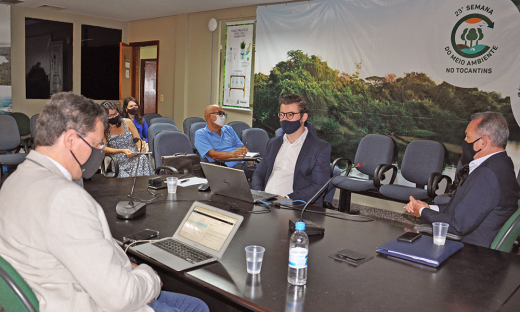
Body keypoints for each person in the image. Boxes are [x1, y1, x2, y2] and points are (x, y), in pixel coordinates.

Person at [0, 92, 209, 312]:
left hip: (62, 286)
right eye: (97, 144)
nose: (99, 151)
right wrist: (150, 277)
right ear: (71, 139)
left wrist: (126, 265)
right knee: (196, 308)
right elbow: (120, 297)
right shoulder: (64, 199)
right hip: (86, 302)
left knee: (195, 304)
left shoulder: (12, 182)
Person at [404, 111, 520, 248]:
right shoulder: (503, 164)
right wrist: (429, 207)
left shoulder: (487, 174)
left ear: (482, 142)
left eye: (467, 137)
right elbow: (465, 210)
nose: (464, 142)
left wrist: (422, 212)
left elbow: (457, 226)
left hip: (468, 253)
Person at [252, 94, 331, 204]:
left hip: (293, 207)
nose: (284, 119)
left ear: (303, 117)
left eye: (290, 115)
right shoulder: (273, 143)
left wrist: (287, 199)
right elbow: (259, 174)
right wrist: (259, 193)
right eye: (282, 114)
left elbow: (319, 186)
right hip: (263, 203)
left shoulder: (320, 147)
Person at [194, 104, 255, 179]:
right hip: (224, 166)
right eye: (220, 113)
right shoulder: (200, 134)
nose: (223, 116)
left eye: (223, 114)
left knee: (264, 169)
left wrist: (251, 163)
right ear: (209, 116)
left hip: (242, 163)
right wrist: (233, 155)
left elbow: (242, 148)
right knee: (257, 175)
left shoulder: (228, 129)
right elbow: (213, 155)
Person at [101, 101, 153, 178]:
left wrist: (139, 148)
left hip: (134, 155)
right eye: (110, 116)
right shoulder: (103, 128)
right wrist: (122, 151)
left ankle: (142, 187)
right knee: (127, 182)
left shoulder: (127, 122)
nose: (114, 117)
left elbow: (137, 138)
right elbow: (103, 148)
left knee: (142, 158)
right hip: (118, 160)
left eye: (115, 114)